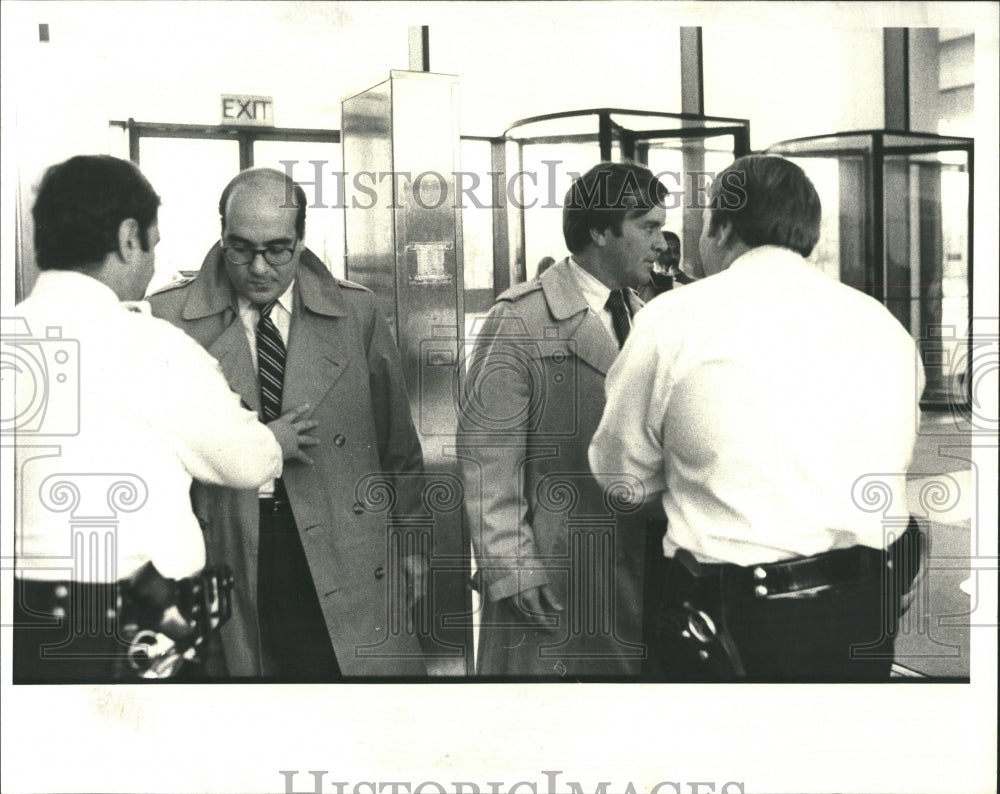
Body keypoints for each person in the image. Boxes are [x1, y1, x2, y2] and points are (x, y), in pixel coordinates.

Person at [589, 154, 925, 682]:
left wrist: (695, 487)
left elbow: (621, 479)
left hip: (730, 621)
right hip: (865, 606)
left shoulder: (675, 319)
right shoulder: (882, 325)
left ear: (722, 226)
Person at [10, 155, 283, 683]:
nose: (152, 265)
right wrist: (274, 438)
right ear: (128, 237)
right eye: (153, 246)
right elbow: (247, 462)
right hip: (130, 623)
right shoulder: (150, 345)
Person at [148, 167, 427, 681]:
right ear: (221, 236)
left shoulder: (356, 313)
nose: (258, 267)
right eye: (240, 248)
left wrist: (411, 547)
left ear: (302, 240)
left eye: (277, 249)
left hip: (344, 541)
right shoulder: (167, 319)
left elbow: (398, 449)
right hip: (228, 539)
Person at [458, 161, 669, 677]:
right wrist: (510, 569)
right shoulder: (520, 319)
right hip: (555, 574)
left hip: (640, 569)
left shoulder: (650, 319)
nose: (662, 242)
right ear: (600, 230)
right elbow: (488, 460)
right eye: (649, 227)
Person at [637, 230, 688, 301]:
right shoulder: (642, 283)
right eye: (666, 252)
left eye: (676, 251)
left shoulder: (686, 284)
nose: (673, 257)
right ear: (654, 253)